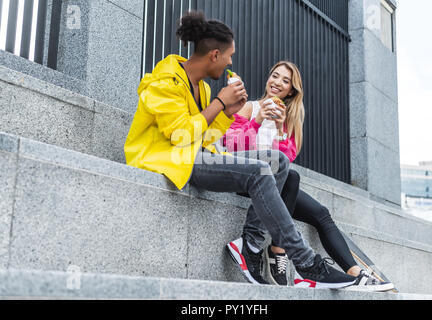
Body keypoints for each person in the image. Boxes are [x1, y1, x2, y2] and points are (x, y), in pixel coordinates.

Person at [124, 11, 356, 289]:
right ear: (214, 55)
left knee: (278, 162)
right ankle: (306, 262)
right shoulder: (166, 81)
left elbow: (208, 138)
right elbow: (180, 136)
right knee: (260, 169)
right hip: (169, 159)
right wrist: (222, 105)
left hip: (197, 155)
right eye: (229, 56)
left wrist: (225, 112)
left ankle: (251, 244)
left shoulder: (203, 89)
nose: (231, 62)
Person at [222, 61, 395, 291]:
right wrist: (258, 120)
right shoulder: (249, 108)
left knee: (321, 213)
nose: (277, 83)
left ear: (291, 90)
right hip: (246, 178)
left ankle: (356, 273)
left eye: (285, 81)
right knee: (292, 178)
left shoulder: (289, 121)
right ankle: (277, 250)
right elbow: (231, 147)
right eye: (275, 76)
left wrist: (281, 129)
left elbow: (285, 160)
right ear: (268, 79)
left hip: (275, 184)